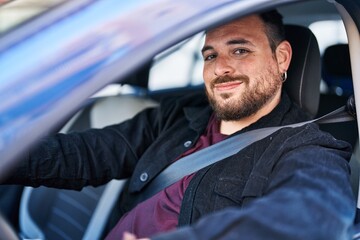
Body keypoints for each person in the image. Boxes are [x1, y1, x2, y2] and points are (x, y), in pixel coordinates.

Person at [4, 10, 356, 240]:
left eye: (240, 51)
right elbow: (84, 154)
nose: (221, 68)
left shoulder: (308, 148)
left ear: (281, 58)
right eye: (210, 55)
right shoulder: (180, 115)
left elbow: (310, 219)